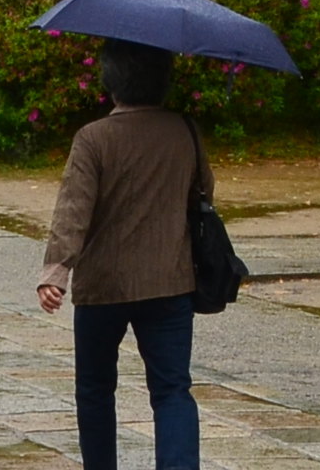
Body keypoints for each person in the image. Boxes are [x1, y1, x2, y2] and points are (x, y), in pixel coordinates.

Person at [36, 38, 208, 470]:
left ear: (110, 80)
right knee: (172, 390)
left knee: (95, 389)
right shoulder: (184, 131)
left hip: (103, 286)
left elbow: (73, 210)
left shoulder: (93, 138)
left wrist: (56, 270)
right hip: (169, 280)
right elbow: (203, 193)